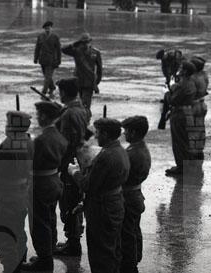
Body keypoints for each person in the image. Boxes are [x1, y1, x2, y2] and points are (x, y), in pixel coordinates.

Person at [68, 118, 130, 273]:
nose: (95, 136)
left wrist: (74, 172)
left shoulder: (106, 155)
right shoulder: (120, 150)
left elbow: (87, 185)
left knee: (100, 253)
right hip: (114, 203)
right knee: (112, 249)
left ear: (106, 134)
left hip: (102, 209)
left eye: (98, 132)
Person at [0, 111, 33, 273]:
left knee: (3, 235)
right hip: (22, 194)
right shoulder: (28, 141)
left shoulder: (7, 145)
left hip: (5, 196)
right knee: (18, 231)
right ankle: (20, 264)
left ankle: (10, 268)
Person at [21, 101, 67, 272]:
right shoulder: (59, 136)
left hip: (40, 183)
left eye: (39, 115)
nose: (37, 118)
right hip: (54, 180)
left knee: (39, 224)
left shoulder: (41, 140)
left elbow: (30, 164)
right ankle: (47, 254)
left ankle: (44, 260)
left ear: (46, 116)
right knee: (49, 219)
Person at [53, 78, 89, 257]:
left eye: (60, 91)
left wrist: (59, 164)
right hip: (79, 157)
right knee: (74, 199)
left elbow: (65, 142)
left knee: (69, 201)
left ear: (65, 92)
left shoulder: (69, 113)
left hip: (69, 160)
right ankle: (73, 240)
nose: (59, 94)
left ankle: (73, 243)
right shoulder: (81, 108)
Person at [120, 116, 152, 273]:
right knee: (133, 230)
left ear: (133, 132)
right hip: (136, 194)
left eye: (126, 130)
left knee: (126, 233)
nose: (124, 133)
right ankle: (134, 259)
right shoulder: (140, 148)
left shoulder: (132, 153)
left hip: (128, 196)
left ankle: (129, 265)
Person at [165, 61, 197, 176]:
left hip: (179, 114)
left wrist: (167, 92)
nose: (179, 69)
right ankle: (185, 165)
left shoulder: (183, 84)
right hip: (187, 112)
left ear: (185, 71)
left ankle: (181, 167)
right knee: (184, 140)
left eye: (181, 68)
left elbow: (173, 100)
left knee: (178, 141)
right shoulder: (190, 82)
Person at [62, 33, 102, 113]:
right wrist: (74, 44)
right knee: (78, 103)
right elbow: (63, 49)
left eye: (87, 42)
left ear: (90, 42)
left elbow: (99, 69)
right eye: (83, 42)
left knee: (86, 104)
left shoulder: (95, 52)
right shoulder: (77, 51)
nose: (85, 44)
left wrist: (96, 82)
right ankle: (82, 117)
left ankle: (86, 118)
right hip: (78, 80)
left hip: (89, 81)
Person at [34, 21, 62, 97]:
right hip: (42, 60)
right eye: (46, 28)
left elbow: (59, 50)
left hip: (52, 61)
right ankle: (52, 87)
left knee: (47, 78)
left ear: (51, 28)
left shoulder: (55, 37)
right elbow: (37, 48)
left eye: (49, 28)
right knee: (47, 77)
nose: (47, 30)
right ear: (44, 29)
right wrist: (35, 58)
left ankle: (43, 93)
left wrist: (59, 60)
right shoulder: (40, 36)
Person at [189, 56, 208, 160]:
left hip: (194, 105)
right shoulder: (204, 75)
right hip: (202, 103)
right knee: (200, 128)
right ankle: (199, 150)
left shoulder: (193, 78)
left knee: (192, 130)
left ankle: (193, 152)